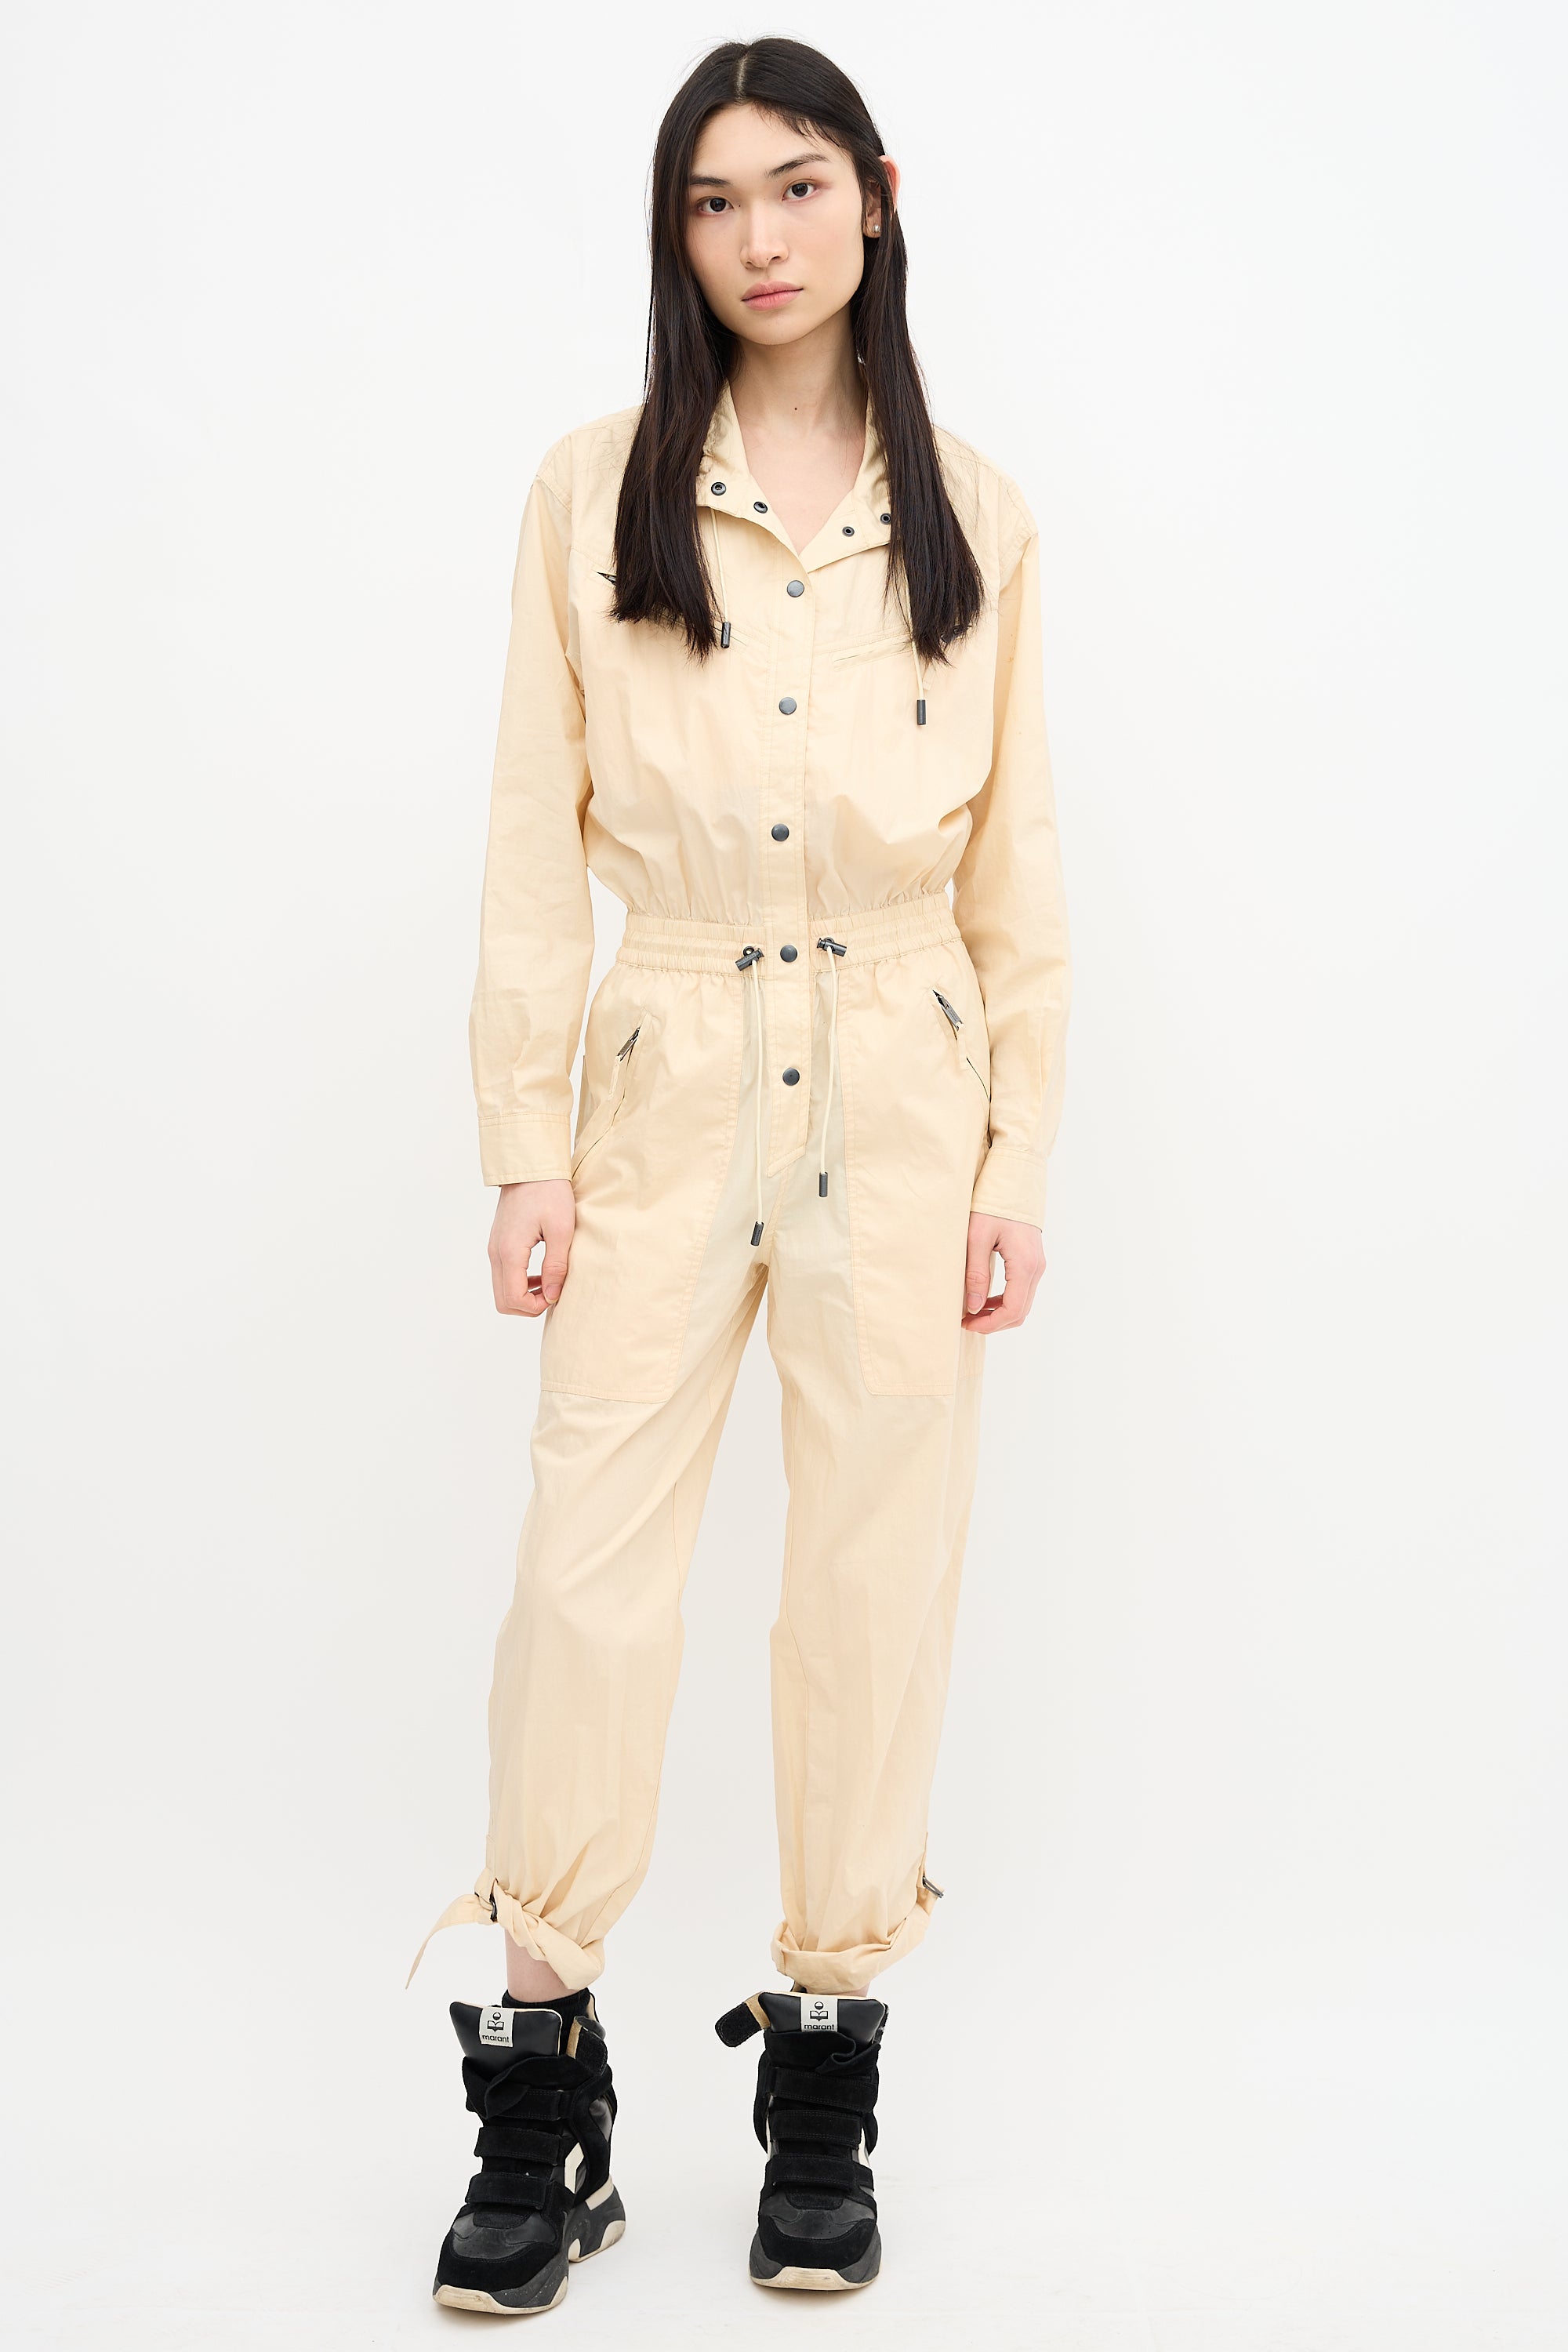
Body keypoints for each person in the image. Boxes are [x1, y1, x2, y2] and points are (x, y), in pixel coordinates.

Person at [412, 34, 1071, 2314]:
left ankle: (822, 2078)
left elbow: (1018, 873)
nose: (760, 239)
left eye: (796, 187)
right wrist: (525, 1142)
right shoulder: (593, 493)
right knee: (585, 1579)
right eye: (713, 201)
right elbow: (531, 844)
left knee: (872, 1585)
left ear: (876, 198)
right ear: (673, 235)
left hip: (903, 1070)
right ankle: (542, 2087)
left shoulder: (974, 512)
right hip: (668, 1065)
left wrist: (1013, 1157)